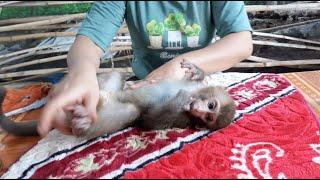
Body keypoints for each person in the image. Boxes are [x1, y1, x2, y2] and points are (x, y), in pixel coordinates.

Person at [37, 1, 253, 137]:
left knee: (127, 111)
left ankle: (87, 119)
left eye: (206, 117)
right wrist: (81, 73)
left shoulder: (193, 100)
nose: (201, 111)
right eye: (210, 107)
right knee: (113, 85)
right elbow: (90, 39)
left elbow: (242, 42)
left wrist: (177, 65)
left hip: (142, 99)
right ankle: (90, 107)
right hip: (136, 83)